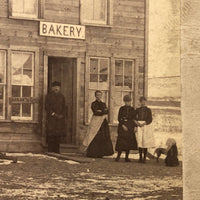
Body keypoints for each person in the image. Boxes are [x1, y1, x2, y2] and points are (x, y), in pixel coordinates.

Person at [81, 90, 114, 158]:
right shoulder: (93, 104)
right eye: (97, 95)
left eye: (100, 95)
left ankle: (101, 153)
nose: (99, 96)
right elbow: (96, 112)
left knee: (102, 137)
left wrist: (101, 111)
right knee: (94, 136)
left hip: (103, 122)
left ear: (101, 96)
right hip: (95, 121)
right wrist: (102, 111)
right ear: (95, 96)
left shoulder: (103, 104)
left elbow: (106, 111)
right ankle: (93, 153)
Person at [115, 95, 138, 162]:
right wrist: (122, 125)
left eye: (128, 101)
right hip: (122, 126)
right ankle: (118, 156)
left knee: (128, 142)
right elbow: (119, 118)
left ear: (130, 101)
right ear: (124, 101)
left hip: (130, 126)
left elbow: (134, 119)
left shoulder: (132, 109)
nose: (127, 103)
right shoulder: (121, 108)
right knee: (121, 142)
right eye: (126, 101)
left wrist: (135, 127)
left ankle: (126, 157)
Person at [45, 81, 66, 154]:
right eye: (55, 87)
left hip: (59, 119)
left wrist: (62, 115)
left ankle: (57, 150)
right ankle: (50, 150)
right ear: (52, 88)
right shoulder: (49, 96)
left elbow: (64, 107)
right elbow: (47, 107)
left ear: (59, 88)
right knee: (51, 134)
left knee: (58, 134)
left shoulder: (62, 97)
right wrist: (53, 114)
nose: (56, 88)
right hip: (52, 118)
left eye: (58, 87)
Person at [135, 96, 155, 163]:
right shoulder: (137, 110)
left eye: (144, 101)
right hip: (139, 126)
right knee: (140, 141)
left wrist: (145, 123)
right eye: (141, 101)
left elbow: (150, 119)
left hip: (146, 126)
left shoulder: (148, 110)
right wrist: (137, 123)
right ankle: (140, 157)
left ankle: (144, 158)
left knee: (145, 141)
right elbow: (134, 118)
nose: (143, 103)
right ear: (140, 102)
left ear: (146, 102)